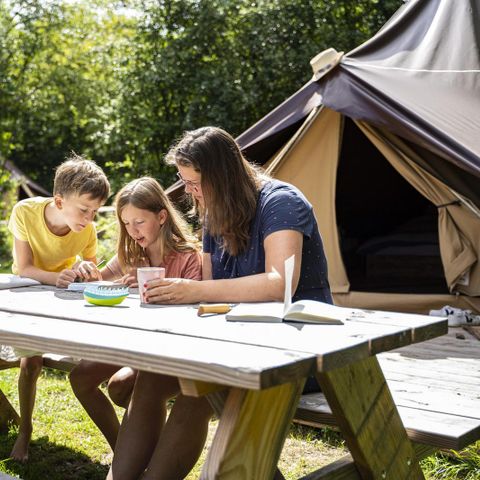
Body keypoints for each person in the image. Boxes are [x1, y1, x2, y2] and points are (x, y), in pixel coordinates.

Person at [108, 126, 332, 480]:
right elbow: (214, 291)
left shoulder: (282, 203)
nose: (189, 192)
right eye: (185, 183)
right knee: (150, 377)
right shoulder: (213, 213)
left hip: (301, 352)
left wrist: (192, 290)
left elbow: (279, 285)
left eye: (194, 183)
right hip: (238, 345)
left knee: (197, 389)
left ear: (222, 175)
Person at [69, 177, 202, 451]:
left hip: (171, 347)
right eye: (126, 224)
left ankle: (138, 454)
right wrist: (85, 273)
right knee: (80, 377)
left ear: (162, 216)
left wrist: (163, 294)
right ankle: (124, 451)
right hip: (134, 342)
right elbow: (97, 282)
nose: (132, 231)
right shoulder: (130, 253)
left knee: (119, 386)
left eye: (139, 222)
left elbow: (196, 311)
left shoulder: (188, 256)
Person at [5, 154, 110, 462]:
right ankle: (25, 431)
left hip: (63, 296)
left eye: (94, 211)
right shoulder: (25, 211)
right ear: (60, 201)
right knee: (32, 362)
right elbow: (24, 268)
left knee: (81, 362)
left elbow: (93, 268)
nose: (89, 218)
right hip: (27, 291)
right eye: (84, 209)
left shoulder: (86, 230)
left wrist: (89, 272)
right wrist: (56, 277)